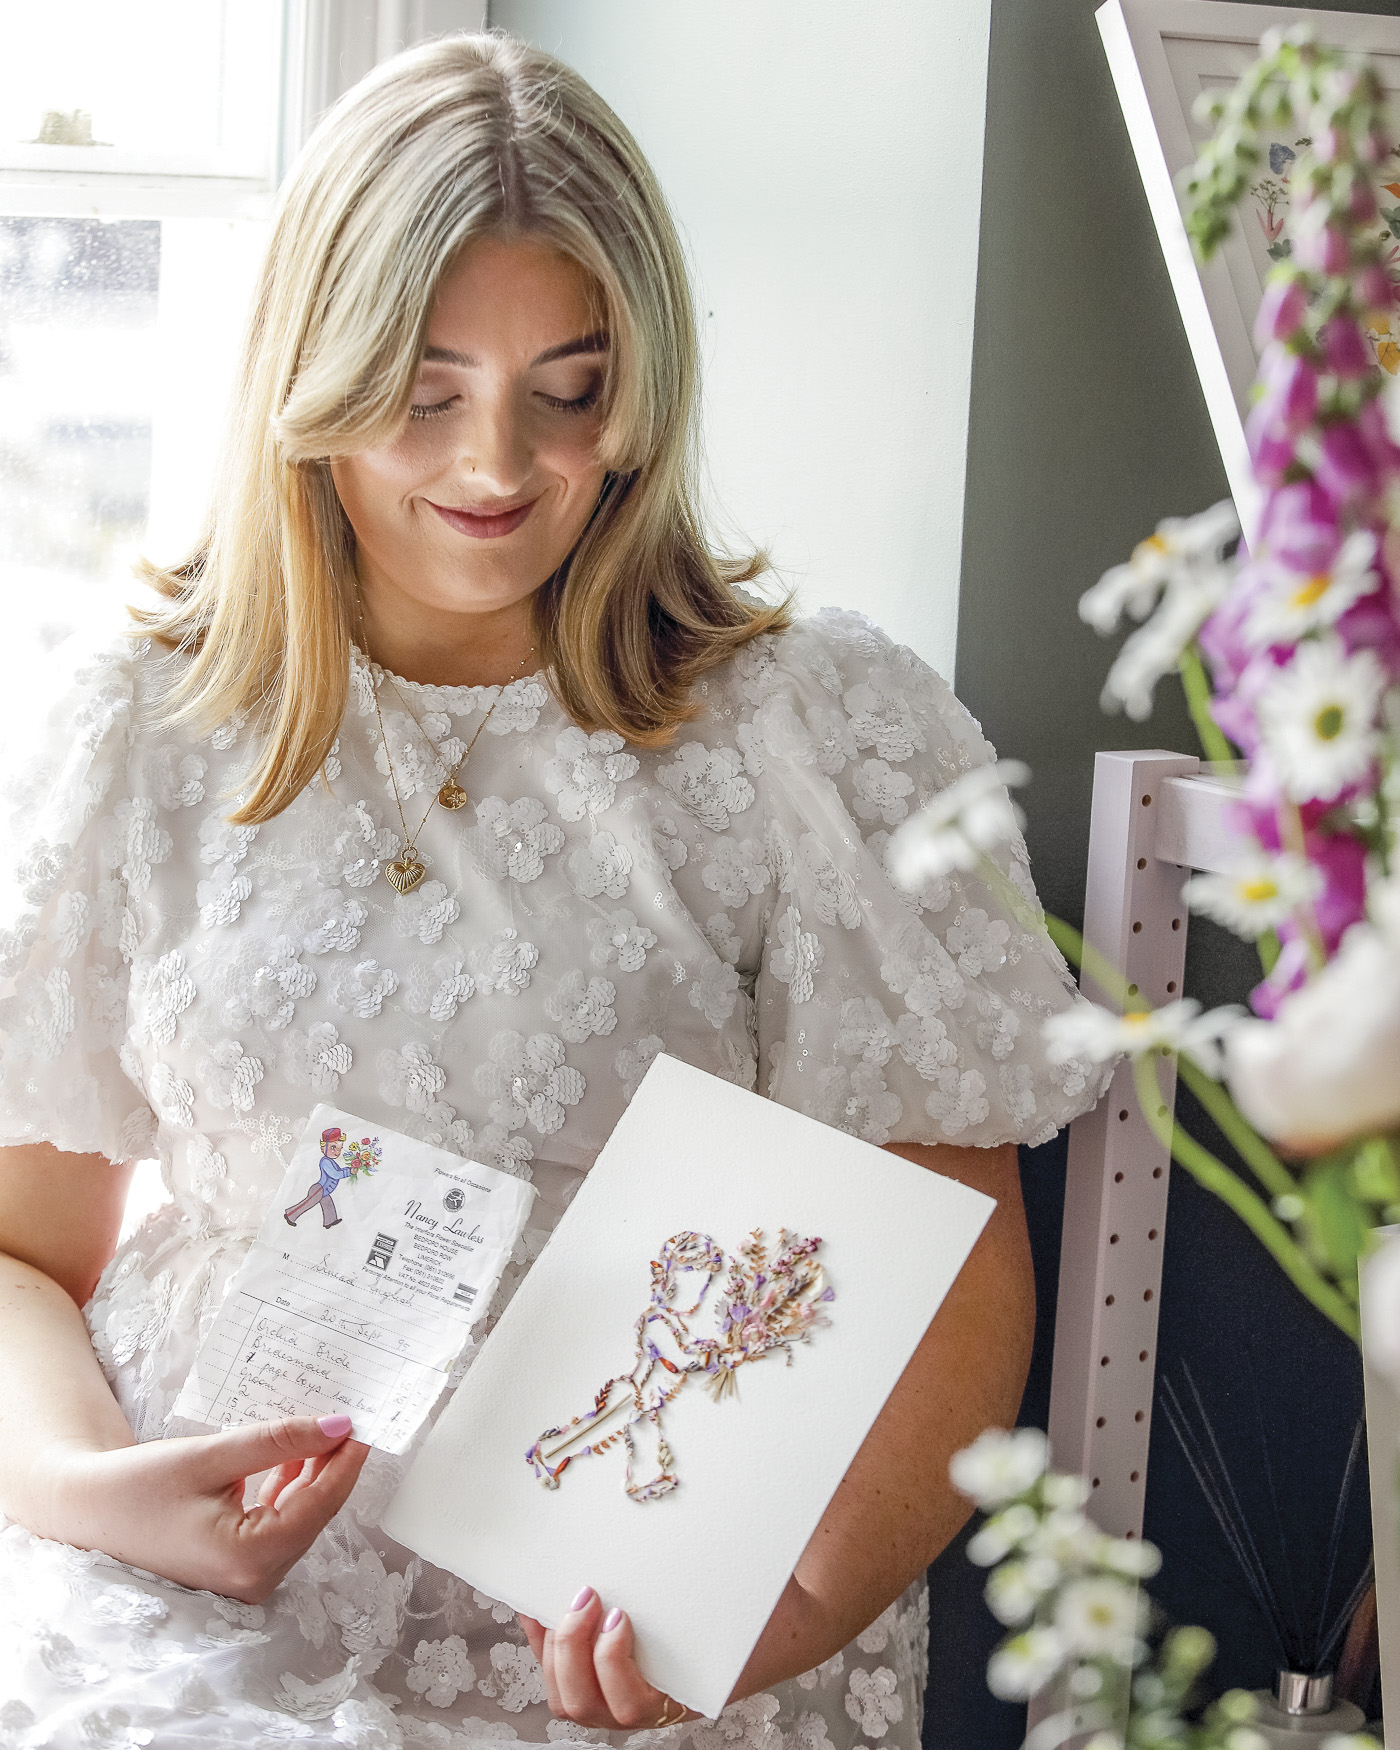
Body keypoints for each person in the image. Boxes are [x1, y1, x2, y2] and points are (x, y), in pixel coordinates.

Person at [0, 32, 1107, 1750]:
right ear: (311, 371)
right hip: (181, 1579)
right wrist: (96, 1487)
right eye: (423, 391)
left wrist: (772, 1616)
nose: (496, 464)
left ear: (642, 386)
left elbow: (952, 1286)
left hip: (634, 1620)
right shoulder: (146, 721)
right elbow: (18, 1255)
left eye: (567, 389)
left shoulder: (812, 734)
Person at [284, 1126, 350, 1227]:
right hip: (318, 1190)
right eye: (333, 1147)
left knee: (328, 1204)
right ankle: (290, 1215)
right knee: (307, 1204)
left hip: (324, 1191)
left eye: (339, 1148)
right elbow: (335, 1174)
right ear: (323, 1148)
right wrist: (349, 1171)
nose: (337, 1152)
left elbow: (339, 1171)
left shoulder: (331, 1161)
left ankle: (330, 1221)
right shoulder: (325, 1162)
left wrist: (351, 1169)